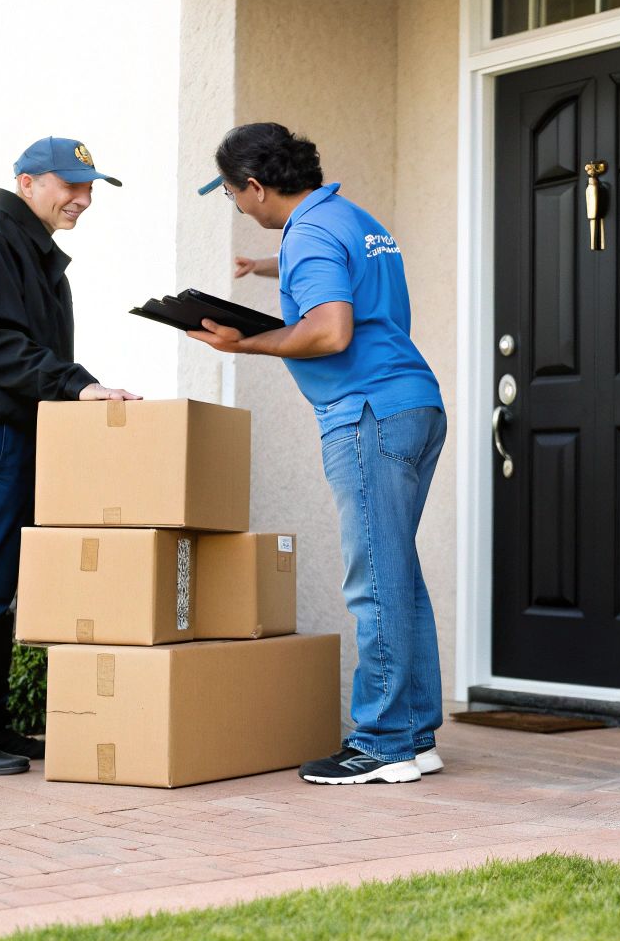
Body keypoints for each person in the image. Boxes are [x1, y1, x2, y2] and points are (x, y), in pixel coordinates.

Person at [187, 122, 445, 785]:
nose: (240, 209)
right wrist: (262, 267)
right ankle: (414, 735)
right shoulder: (349, 218)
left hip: (365, 414)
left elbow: (330, 330)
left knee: (375, 580)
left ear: (256, 185)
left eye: (233, 196)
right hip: (412, 403)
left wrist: (244, 344)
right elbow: (337, 273)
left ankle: (383, 742)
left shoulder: (307, 234)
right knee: (398, 575)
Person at [0, 137, 139, 776]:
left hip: (14, 432)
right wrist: (78, 385)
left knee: (3, 587)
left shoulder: (27, 249)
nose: (83, 199)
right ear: (27, 183)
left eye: (91, 187)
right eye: (71, 185)